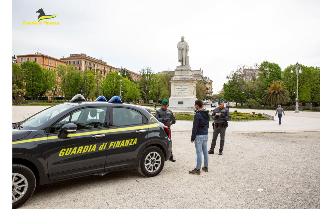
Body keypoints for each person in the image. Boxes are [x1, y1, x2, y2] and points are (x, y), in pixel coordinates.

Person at [189, 100, 210, 175]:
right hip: (205, 134)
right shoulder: (207, 113)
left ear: (197, 105)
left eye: (195, 105)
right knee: (205, 151)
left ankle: (198, 169)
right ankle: (206, 166)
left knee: (199, 152)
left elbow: (195, 127)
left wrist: (192, 137)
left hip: (199, 135)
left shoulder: (197, 115)